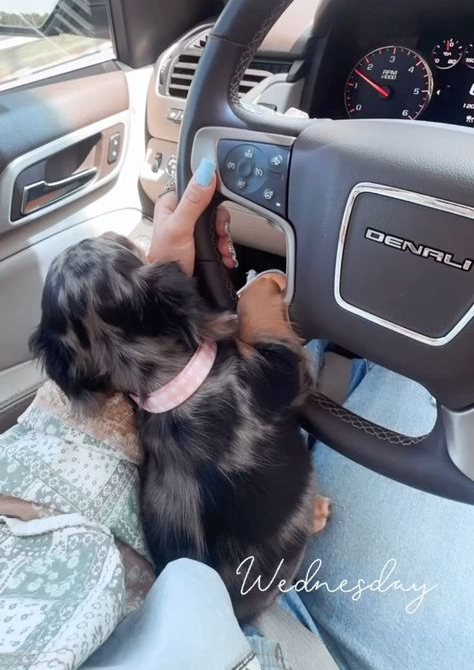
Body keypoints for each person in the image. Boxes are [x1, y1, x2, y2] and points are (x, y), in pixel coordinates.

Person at [84, 158, 474, 670]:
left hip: (207, 590)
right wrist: (259, 293)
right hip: (277, 618)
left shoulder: (128, 398)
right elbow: (282, 374)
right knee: (412, 373)